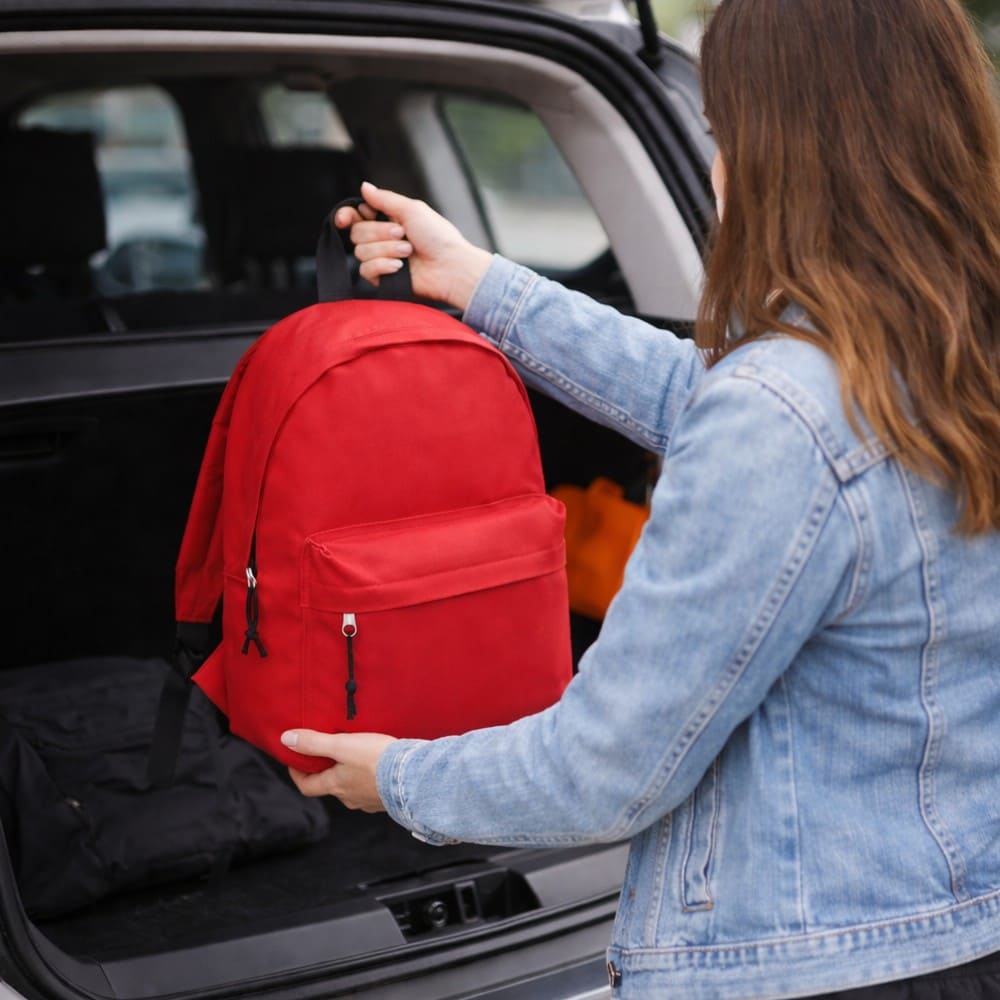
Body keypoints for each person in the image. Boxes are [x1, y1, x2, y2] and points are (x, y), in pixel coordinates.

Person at [278, 0, 1000, 996]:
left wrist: (396, 778)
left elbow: (604, 770)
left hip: (792, 967)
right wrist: (481, 283)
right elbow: (723, 399)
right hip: (952, 928)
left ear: (779, 152)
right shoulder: (950, 352)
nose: (716, 164)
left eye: (721, 132)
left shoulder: (781, 414)